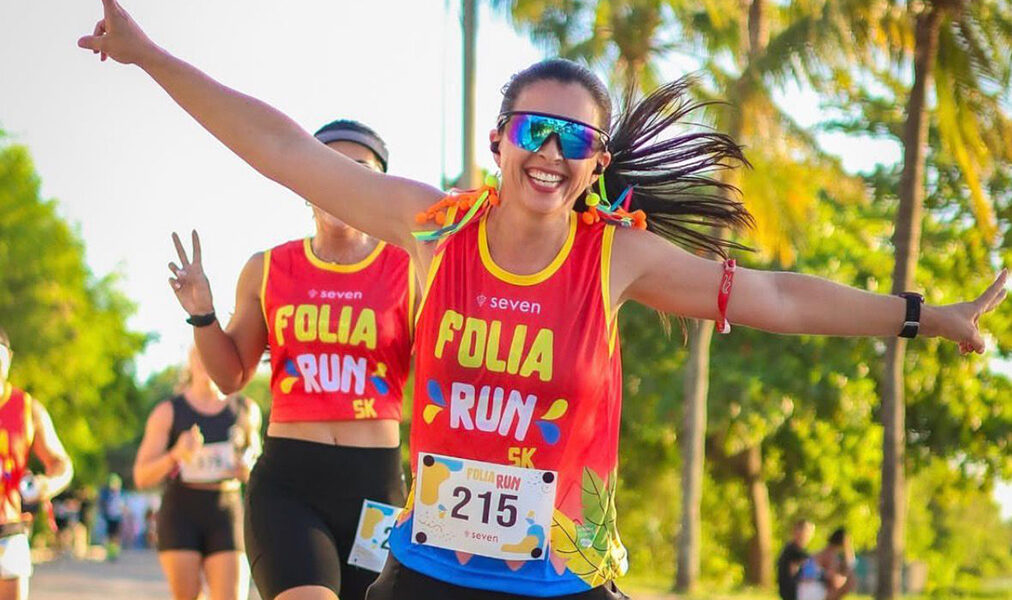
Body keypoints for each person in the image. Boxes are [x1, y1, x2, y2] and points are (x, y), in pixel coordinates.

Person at [78, 4, 1007, 598]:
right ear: (499, 140)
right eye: (535, 129)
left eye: (576, 137)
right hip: (428, 570)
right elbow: (282, 148)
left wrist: (926, 316)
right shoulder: (435, 229)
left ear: (597, 163)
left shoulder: (617, 261)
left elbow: (781, 299)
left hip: (563, 575)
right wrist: (151, 55)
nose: (552, 151)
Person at [165, 118, 413, 600]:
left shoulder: (412, 267)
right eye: (325, 168)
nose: (340, 182)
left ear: (379, 185)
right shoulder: (268, 267)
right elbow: (231, 375)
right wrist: (202, 314)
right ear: (302, 181)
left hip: (377, 490)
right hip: (289, 487)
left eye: (357, 170)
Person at [134, 348, 261, 600]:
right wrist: (175, 455)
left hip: (226, 509)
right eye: (201, 357)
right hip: (181, 511)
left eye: (214, 355)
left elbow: (258, 459)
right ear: (189, 363)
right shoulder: (168, 411)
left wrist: (248, 468)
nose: (208, 364)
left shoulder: (245, 409)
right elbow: (141, 476)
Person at [0, 327, 74, 599]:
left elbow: (61, 463)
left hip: (7, 530)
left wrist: (48, 484)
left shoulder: (27, 408)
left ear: (8, 357)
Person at [797, 528, 856, 600]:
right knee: (849, 581)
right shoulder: (830, 555)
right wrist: (846, 576)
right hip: (813, 591)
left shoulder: (820, 552)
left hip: (803, 590)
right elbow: (834, 581)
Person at [777, 519, 815, 600]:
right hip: (793, 593)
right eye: (808, 532)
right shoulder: (794, 551)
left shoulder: (790, 548)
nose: (809, 536)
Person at [99, 473, 126, 561]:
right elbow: (102, 504)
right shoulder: (106, 494)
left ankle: (115, 552)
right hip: (109, 517)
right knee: (110, 535)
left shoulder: (120, 494)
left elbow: (123, 506)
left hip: (117, 517)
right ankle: (110, 552)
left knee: (116, 536)